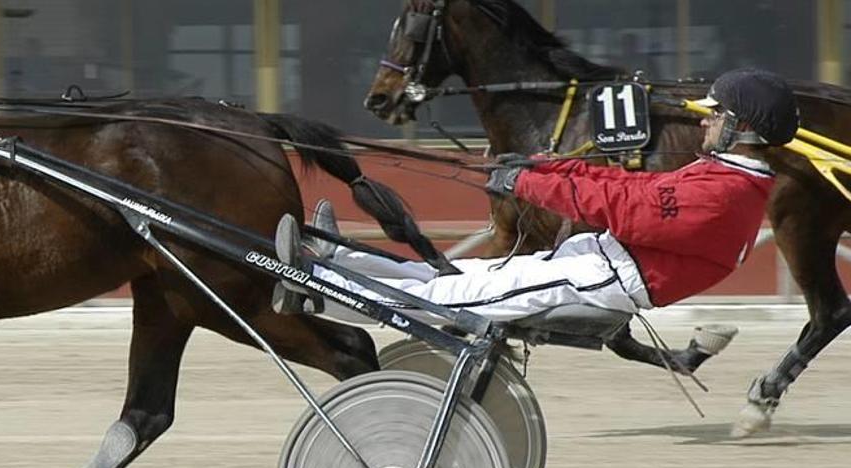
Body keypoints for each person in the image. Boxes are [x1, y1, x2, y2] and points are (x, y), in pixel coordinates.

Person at [275, 68, 800, 325]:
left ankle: (315, 286)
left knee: (438, 302)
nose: (705, 120)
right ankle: (336, 258)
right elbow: (629, 186)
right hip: (593, 263)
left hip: (598, 279)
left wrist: (528, 185)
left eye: (715, 115)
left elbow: (626, 210)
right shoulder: (722, 177)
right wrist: (544, 167)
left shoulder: (726, 194)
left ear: (739, 128)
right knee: (449, 278)